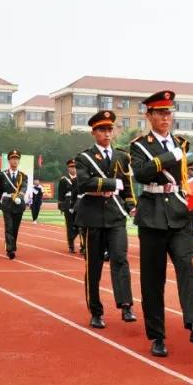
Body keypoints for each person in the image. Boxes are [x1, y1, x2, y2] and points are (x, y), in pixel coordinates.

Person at [129, 90, 193, 357]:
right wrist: (170, 157)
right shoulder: (139, 145)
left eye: (168, 112)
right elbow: (141, 173)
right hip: (152, 215)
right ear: (149, 115)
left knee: (187, 267)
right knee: (153, 279)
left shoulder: (183, 143)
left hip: (178, 214)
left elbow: (190, 177)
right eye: (160, 113)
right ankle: (157, 335)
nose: (166, 117)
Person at [73, 111, 137, 327]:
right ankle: (96, 310)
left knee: (120, 259)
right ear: (94, 132)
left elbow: (127, 186)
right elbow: (83, 183)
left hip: (116, 215)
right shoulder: (84, 158)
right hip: (93, 217)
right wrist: (111, 185)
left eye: (110, 129)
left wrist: (132, 206)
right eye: (102, 129)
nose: (107, 133)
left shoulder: (122, 156)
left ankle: (126, 304)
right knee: (94, 267)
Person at [0, 150, 28, 259]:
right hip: (7, 203)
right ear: (9, 160)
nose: (15, 161)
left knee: (15, 227)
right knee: (9, 226)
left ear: (19, 161)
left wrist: (20, 196)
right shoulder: (2, 175)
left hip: (18, 204)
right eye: (12, 159)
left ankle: (12, 244)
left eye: (16, 159)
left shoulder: (23, 176)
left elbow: (24, 187)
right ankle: (10, 249)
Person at [56, 159, 79, 253]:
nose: (73, 169)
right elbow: (61, 193)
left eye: (74, 167)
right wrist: (61, 205)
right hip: (68, 203)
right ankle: (71, 245)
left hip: (79, 203)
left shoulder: (80, 178)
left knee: (80, 225)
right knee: (70, 225)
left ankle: (82, 245)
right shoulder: (64, 179)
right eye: (71, 167)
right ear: (68, 168)